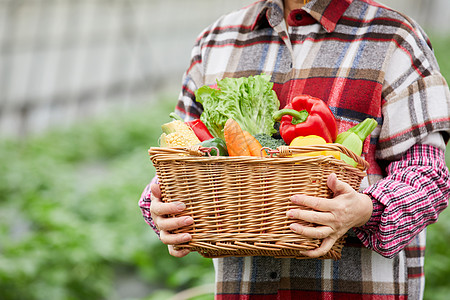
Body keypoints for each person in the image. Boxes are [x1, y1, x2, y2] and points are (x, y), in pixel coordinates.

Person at [139, 0, 450, 299]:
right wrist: (160, 207)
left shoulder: (394, 38)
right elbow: (180, 154)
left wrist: (364, 210)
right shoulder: (216, 41)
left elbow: (429, 178)